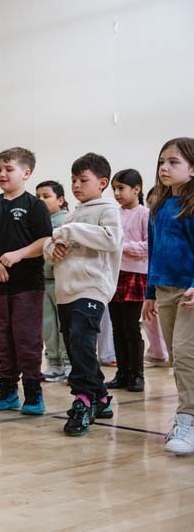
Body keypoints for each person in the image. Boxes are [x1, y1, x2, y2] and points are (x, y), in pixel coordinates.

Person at [44, 153, 122, 436]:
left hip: (92, 288)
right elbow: (50, 247)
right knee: (76, 344)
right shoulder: (73, 213)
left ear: (102, 183)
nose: (76, 185)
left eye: (83, 180)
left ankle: (83, 399)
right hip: (66, 290)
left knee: (81, 340)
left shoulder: (108, 210)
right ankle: (100, 396)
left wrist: (71, 231)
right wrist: (54, 249)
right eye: (74, 179)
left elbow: (112, 240)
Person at [0, 147, 52, 415]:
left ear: (26, 173)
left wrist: (18, 255)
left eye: (9, 169)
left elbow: (44, 241)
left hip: (28, 285)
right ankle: (7, 389)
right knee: (3, 338)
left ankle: (33, 392)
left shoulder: (35, 205)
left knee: (27, 338)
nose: (2, 174)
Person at [142, 137, 194, 454]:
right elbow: (154, 253)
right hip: (164, 290)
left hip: (190, 290)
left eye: (173, 162)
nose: (164, 167)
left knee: (186, 356)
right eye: (162, 161)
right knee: (178, 359)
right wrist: (150, 292)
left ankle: (186, 420)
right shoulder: (159, 207)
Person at [107, 169, 149, 392]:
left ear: (136, 189)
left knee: (132, 327)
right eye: (114, 188)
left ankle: (137, 375)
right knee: (117, 327)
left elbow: (148, 246)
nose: (117, 193)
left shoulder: (145, 214)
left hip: (135, 275)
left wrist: (121, 247)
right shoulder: (114, 214)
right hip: (114, 274)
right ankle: (122, 373)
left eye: (121, 188)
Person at [35, 180, 71, 382]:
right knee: (48, 325)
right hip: (43, 281)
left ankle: (68, 363)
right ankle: (54, 363)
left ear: (60, 200)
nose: (40, 200)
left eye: (46, 196)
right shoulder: (38, 221)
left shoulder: (66, 220)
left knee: (63, 324)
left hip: (61, 281)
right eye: (37, 196)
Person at [142, 186, 170, 366]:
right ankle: (158, 352)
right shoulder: (152, 218)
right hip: (157, 282)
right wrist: (150, 293)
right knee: (151, 321)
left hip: (182, 284)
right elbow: (152, 251)